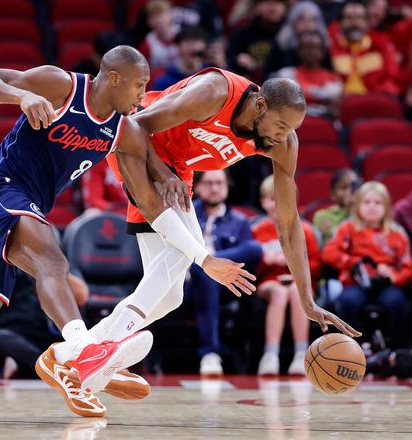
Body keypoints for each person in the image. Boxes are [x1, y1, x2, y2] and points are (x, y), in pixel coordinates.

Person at [0, 46, 253, 418]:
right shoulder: (61, 85)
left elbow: (149, 202)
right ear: (114, 78)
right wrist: (21, 96)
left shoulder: (125, 130)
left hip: (17, 210)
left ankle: (82, 356)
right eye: (139, 85)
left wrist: (196, 247)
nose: (144, 95)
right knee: (52, 261)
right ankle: (82, 351)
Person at [90, 67, 360, 397]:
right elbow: (134, 126)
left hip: (177, 166)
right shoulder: (215, 93)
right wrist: (162, 174)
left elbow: (289, 225)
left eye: (292, 129)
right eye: (281, 125)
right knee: (183, 255)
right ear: (260, 105)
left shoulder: (282, 143)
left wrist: (307, 299)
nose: (284, 135)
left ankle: (75, 351)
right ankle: (97, 354)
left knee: (171, 296)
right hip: (136, 143)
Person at [186, 170, 262, 375]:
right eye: (209, 183)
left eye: (220, 183)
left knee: (254, 248)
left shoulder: (239, 221)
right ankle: (210, 352)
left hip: (225, 285)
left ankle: (207, 262)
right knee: (205, 275)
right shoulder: (186, 214)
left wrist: (212, 261)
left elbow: (248, 256)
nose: (215, 188)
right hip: (187, 282)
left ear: (227, 187)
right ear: (197, 186)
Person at [322, 181, 412, 348]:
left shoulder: (397, 233)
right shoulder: (347, 228)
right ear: (357, 206)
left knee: (397, 301)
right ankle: (349, 350)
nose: (372, 207)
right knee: (348, 301)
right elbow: (328, 253)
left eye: (378, 203)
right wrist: (355, 263)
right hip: (356, 282)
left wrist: (394, 276)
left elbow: (408, 267)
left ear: (386, 207)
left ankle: (398, 351)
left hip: (386, 284)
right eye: (367, 202)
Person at [253, 175, 321, 375]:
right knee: (280, 293)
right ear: (263, 202)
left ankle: (301, 354)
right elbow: (251, 266)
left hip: (300, 282)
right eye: (272, 199)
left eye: (284, 198)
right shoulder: (258, 231)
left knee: (296, 292)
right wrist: (266, 261)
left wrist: (295, 266)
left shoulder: (304, 230)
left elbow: (316, 264)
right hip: (269, 281)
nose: (278, 204)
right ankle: (270, 355)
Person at [328, 1, 400, 96]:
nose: (354, 23)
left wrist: (377, 95)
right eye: (349, 18)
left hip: (373, 99)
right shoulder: (331, 48)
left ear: (366, 22)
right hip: (340, 101)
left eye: (359, 18)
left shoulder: (381, 45)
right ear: (340, 23)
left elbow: (392, 77)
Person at [271, 31, 343, 119]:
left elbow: (334, 103)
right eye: (306, 47)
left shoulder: (333, 78)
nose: (310, 51)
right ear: (298, 51)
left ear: (323, 52)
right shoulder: (285, 74)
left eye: (315, 47)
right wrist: (321, 98)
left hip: (324, 120)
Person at [263, 1, 329, 78]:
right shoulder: (282, 44)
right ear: (293, 21)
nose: (307, 23)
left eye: (313, 19)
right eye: (301, 18)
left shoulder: (323, 44)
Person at [227, 0, 287, 82]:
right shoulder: (244, 32)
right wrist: (238, 59)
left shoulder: (292, 34)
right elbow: (230, 57)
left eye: (278, 2)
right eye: (267, 2)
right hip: (248, 83)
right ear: (258, 6)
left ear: (285, 7)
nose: (272, 7)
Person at [151, 27, 208, 91]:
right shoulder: (164, 83)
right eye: (188, 42)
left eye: (197, 41)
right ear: (178, 48)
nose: (193, 47)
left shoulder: (212, 75)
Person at [312, 168, 359, 243]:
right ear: (333, 193)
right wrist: (348, 206)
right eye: (344, 187)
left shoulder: (366, 213)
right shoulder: (322, 215)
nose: (349, 191)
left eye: (353, 187)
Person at [138, 0, 180, 71]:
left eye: (161, 15)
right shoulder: (147, 44)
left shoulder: (184, 35)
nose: (158, 20)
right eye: (153, 16)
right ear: (148, 21)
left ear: (171, 15)